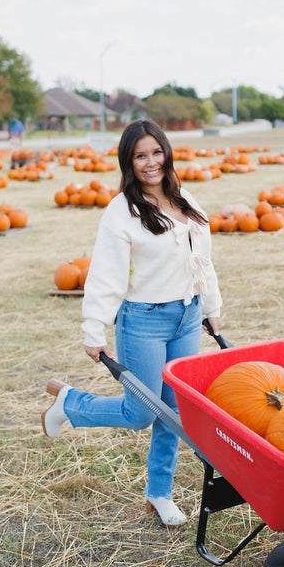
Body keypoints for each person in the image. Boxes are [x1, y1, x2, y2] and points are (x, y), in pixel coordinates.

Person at [41, 119, 222, 528]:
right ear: (129, 161)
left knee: (172, 412)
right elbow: (106, 273)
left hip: (187, 316)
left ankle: (159, 493)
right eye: (141, 155)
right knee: (142, 412)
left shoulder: (186, 199)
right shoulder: (121, 210)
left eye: (156, 152)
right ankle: (70, 404)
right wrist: (95, 328)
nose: (151, 162)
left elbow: (202, 262)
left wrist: (211, 308)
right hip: (144, 321)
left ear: (167, 152)